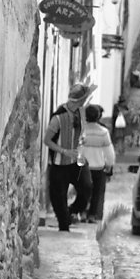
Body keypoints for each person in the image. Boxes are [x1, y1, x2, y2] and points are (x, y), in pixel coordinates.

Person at [44, 83, 95, 231]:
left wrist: (82, 139)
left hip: (77, 161)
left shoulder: (82, 113)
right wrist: (64, 151)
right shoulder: (58, 117)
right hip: (60, 164)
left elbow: (82, 131)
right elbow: (47, 140)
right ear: (79, 100)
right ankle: (64, 225)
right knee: (59, 198)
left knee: (87, 188)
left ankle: (72, 211)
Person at [80, 104, 116, 224]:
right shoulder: (103, 132)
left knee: (83, 190)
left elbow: (77, 148)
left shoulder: (81, 130)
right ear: (98, 116)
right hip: (99, 166)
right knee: (97, 192)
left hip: (83, 166)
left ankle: (82, 212)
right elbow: (109, 151)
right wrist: (110, 164)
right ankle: (92, 215)